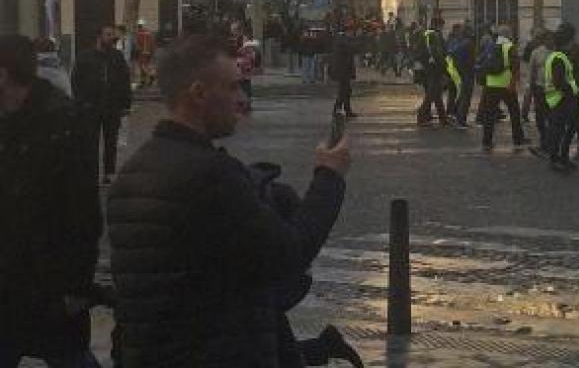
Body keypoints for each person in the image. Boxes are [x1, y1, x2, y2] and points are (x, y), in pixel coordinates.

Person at [107, 35, 351, 367]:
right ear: (198, 93)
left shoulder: (132, 173)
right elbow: (286, 254)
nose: (242, 100)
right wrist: (329, 177)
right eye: (233, 88)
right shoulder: (210, 175)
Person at [0, 34, 103, 367]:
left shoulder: (64, 123)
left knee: (68, 354)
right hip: (9, 280)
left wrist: (77, 286)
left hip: (50, 282)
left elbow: (83, 213)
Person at [72, 25, 133, 184]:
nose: (112, 37)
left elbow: (125, 80)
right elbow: (76, 80)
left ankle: (109, 173)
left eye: (113, 35)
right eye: (108, 34)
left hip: (112, 106)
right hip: (90, 107)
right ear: (99, 37)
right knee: (90, 143)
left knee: (111, 141)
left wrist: (126, 104)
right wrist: (80, 102)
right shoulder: (85, 57)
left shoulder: (117, 57)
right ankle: (91, 174)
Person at [477, 25, 526, 153]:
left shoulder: (490, 46)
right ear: (508, 34)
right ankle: (518, 138)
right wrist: (513, 83)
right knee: (514, 112)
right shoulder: (509, 46)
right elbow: (515, 66)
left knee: (489, 114)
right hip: (505, 85)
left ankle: (487, 141)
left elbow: (482, 62)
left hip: (491, 85)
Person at [542, 22, 579, 172]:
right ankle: (555, 159)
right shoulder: (559, 58)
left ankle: (559, 158)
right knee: (558, 131)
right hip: (560, 99)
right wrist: (571, 90)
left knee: (559, 130)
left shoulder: (556, 56)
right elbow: (558, 82)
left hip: (558, 99)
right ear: (567, 42)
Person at [416, 19, 449, 126]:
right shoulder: (434, 35)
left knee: (436, 93)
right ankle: (421, 115)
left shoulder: (426, 34)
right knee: (432, 93)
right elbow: (438, 53)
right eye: (441, 26)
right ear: (437, 25)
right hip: (434, 68)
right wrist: (444, 67)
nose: (442, 28)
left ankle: (443, 118)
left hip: (428, 67)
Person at [448, 22, 476, 126]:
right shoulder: (468, 43)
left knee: (462, 94)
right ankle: (461, 119)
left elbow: (453, 54)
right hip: (467, 72)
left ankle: (455, 113)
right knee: (466, 96)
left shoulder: (459, 43)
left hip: (460, 71)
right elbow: (471, 59)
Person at [329, 29, 357, 118]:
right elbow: (350, 49)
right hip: (343, 70)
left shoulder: (342, 40)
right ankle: (340, 109)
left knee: (346, 90)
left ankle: (345, 109)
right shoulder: (343, 41)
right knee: (344, 91)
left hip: (344, 70)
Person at [134, 20, 155, 88]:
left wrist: (136, 53)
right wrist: (152, 52)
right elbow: (152, 44)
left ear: (139, 26)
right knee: (146, 66)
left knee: (142, 67)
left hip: (142, 53)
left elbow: (138, 46)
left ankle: (149, 78)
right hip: (149, 53)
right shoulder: (149, 33)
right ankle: (146, 80)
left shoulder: (139, 34)